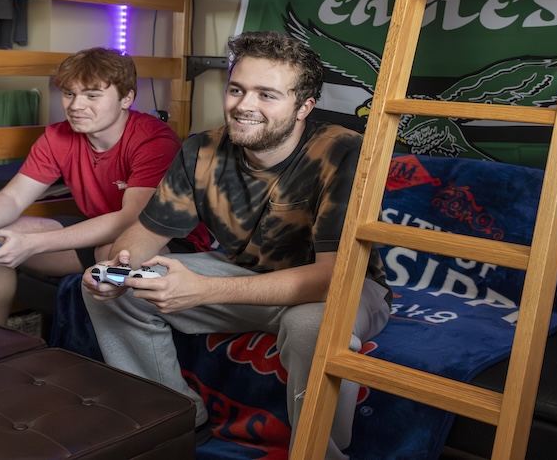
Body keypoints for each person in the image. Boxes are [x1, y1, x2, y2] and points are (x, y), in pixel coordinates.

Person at [83, 31, 390, 458]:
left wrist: (204, 290)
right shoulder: (201, 149)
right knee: (106, 289)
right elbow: (146, 234)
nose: (245, 105)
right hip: (246, 280)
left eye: (267, 94)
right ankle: (177, 416)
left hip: (335, 291)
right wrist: (116, 268)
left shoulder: (343, 151)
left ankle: (319, 454)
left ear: (304, 107)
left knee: (308, 328)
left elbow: (333, 278)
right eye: (236, 89)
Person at [0, 47, 211, 326]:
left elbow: (132, 220)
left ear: (126, 98)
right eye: (69, 94)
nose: (76, 106)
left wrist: (31, 244)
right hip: (96, 233)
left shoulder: (153, 139)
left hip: (166, 239)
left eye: (92, 95)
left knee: (115, 255)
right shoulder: (57, 136)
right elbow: (14, 197)